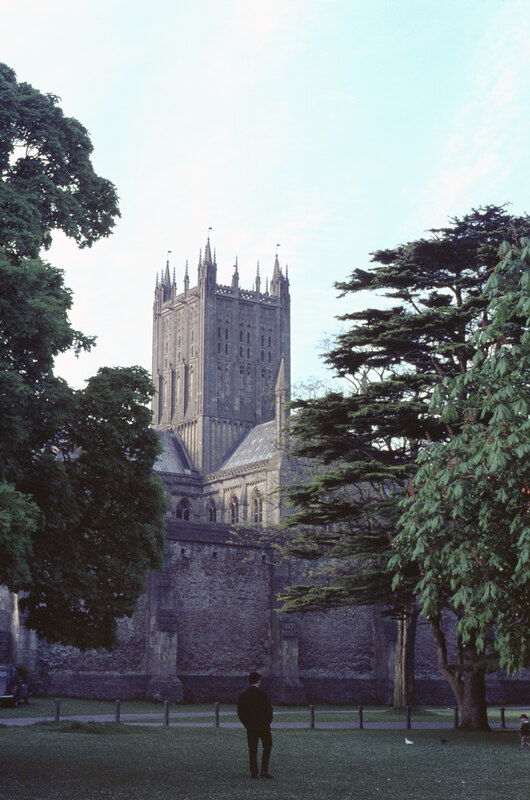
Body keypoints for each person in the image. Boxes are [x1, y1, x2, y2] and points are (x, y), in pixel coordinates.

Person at [237, 671, 273, 779]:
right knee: (267, 746)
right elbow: (269, 711)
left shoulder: (243, 695)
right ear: (258, 681)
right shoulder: (263, 694)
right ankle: (264, 770)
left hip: (251, 727)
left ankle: (254, 772)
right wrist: (267, 722)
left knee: (252, 749)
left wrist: (246, 724)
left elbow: (240, 712)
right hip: (263, 726)